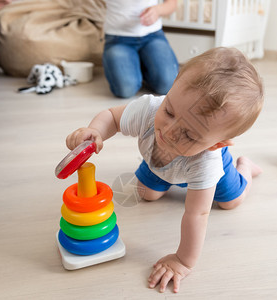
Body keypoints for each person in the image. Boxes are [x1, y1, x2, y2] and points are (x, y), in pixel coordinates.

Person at [65, 47, 263, 293]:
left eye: (189, 134)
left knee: (231, 202)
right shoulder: (149, 109)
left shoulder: (207, 164)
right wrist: (94, 131)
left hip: (209, 172)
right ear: (172, 88)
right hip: (158, 164)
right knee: (146, 193)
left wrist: (182, 260)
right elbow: (112, 117)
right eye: (169, 111)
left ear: (216, 143)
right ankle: (169, 177)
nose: (168, 132)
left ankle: (244, 168)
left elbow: (196, 214)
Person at [103, 0, 179, 98]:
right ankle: (135, 67)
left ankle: (140, 66)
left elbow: (172, 4)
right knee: (126, 89)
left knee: (168, 84)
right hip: (118, 39)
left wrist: (157, 10)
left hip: (152, 36)